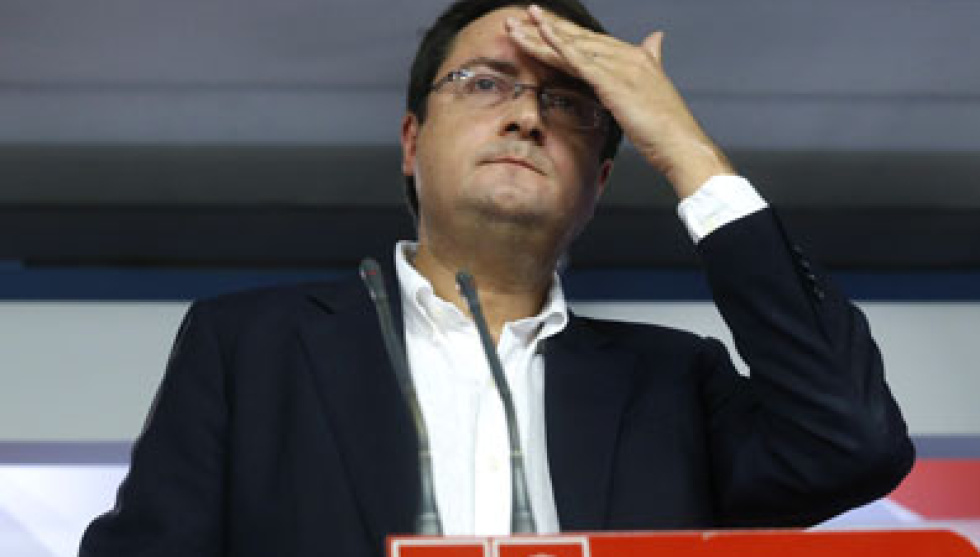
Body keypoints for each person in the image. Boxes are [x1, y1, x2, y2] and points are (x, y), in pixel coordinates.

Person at [79, 0, 914, 555]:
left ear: (602, 179)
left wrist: (685, 148)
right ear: (412, 142)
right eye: (484, 84)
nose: (525, 116)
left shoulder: (674, 382)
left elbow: (852, 442)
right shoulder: (251, 348)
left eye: (569, 103)